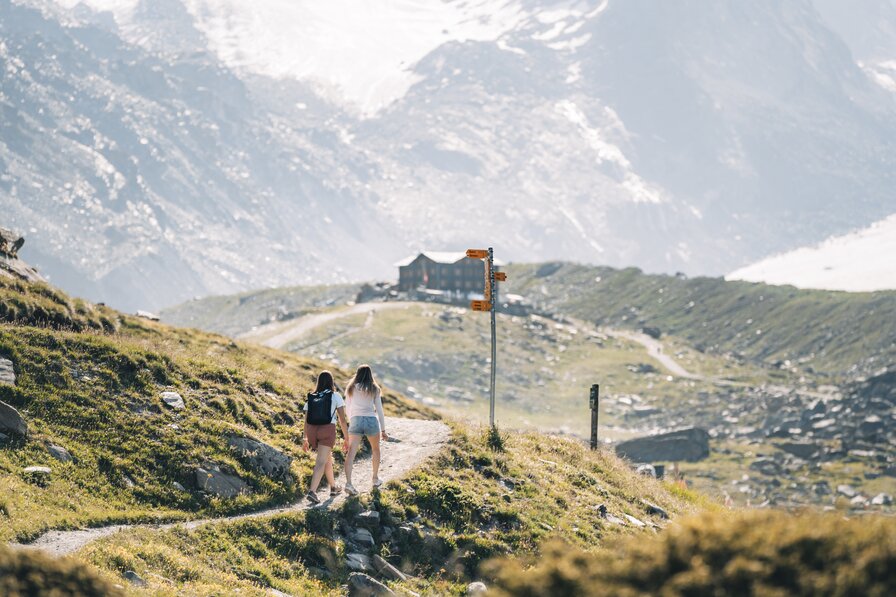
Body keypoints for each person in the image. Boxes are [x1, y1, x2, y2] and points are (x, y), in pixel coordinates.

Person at [302, 370, 349, 504]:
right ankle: (312, 491)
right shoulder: (335, 396)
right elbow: (342, 420)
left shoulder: (312, 396)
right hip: (327, 430)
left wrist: (305, 438)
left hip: (312, 431)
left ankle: (333, 487)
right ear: (331, 381)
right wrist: (347, 438)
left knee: (327, 458)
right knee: (321, 462)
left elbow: (306, 419)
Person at [343, 364, 388, 495]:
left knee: (351, 453)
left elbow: (348, 407)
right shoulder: (374, 388)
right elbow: (379, 410)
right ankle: (375, 478)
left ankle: (349, 483)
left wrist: (352, 420)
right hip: (371, 420)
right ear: (370, 374)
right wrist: (383, 430)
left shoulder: (351, 387)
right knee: (376, 449)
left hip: (356, 420)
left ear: (357, 374)